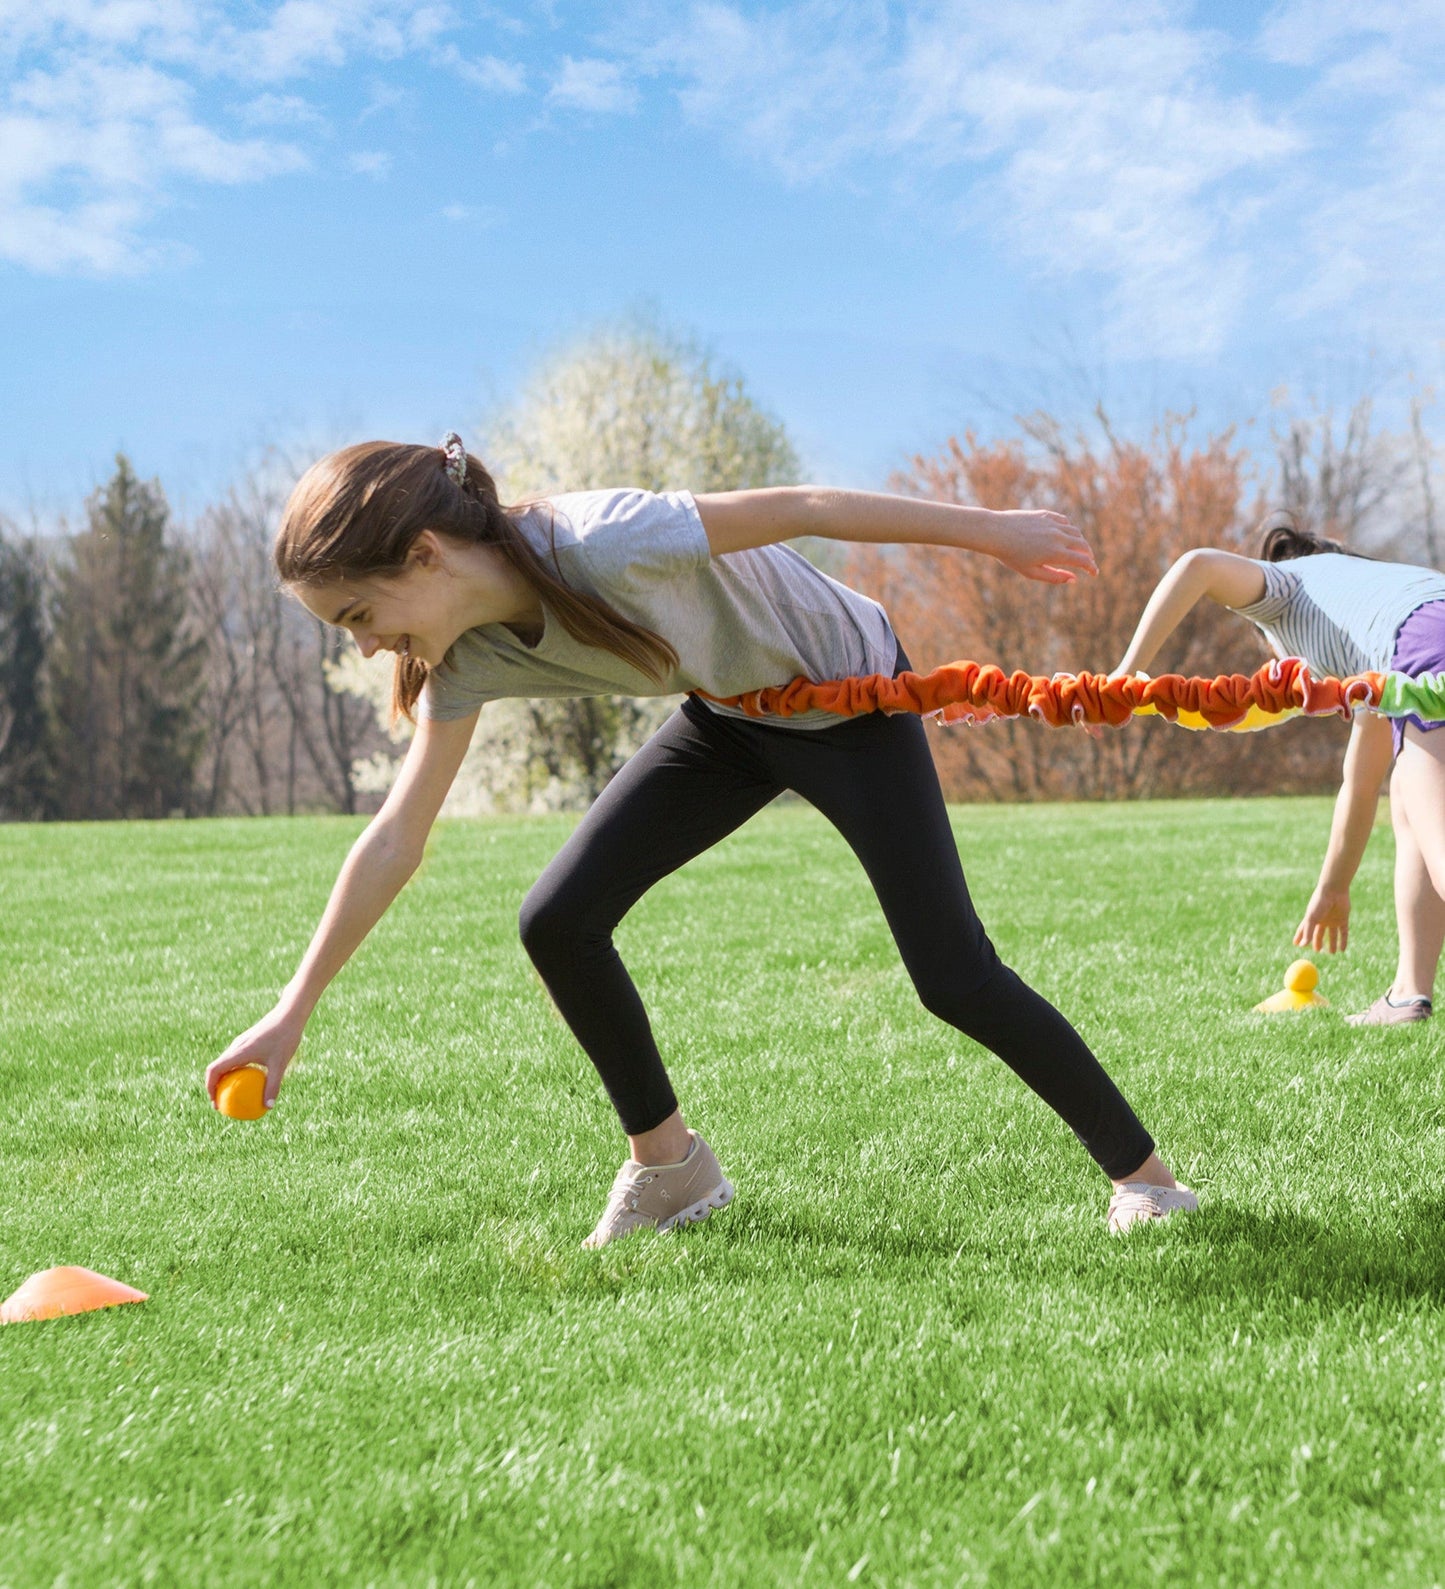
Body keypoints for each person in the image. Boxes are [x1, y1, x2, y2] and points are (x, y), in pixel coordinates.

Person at [206, 434, 1196, 1243]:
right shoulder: (465, 658)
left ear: (424, 553)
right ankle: (670, 1168)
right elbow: (394, 837)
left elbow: (804, 506)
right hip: (731, 715)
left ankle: (1148, 1180)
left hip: (848, 698)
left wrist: (994, 534)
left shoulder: (600, 541)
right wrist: (291, 1011)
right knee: (559, 918)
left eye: (360, 615)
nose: (368, 645)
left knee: (952, 974)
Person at [1113, 512, 1445, 1025]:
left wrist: (1126, 674)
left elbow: (1197, 564)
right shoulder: (1374, 621)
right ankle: (1408, 993)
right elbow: (1359, 786)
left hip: (1429, 653)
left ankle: (1408, 992)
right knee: (1405, 796)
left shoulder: (1286, 587)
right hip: (1424, 651)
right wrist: (1334, 888)